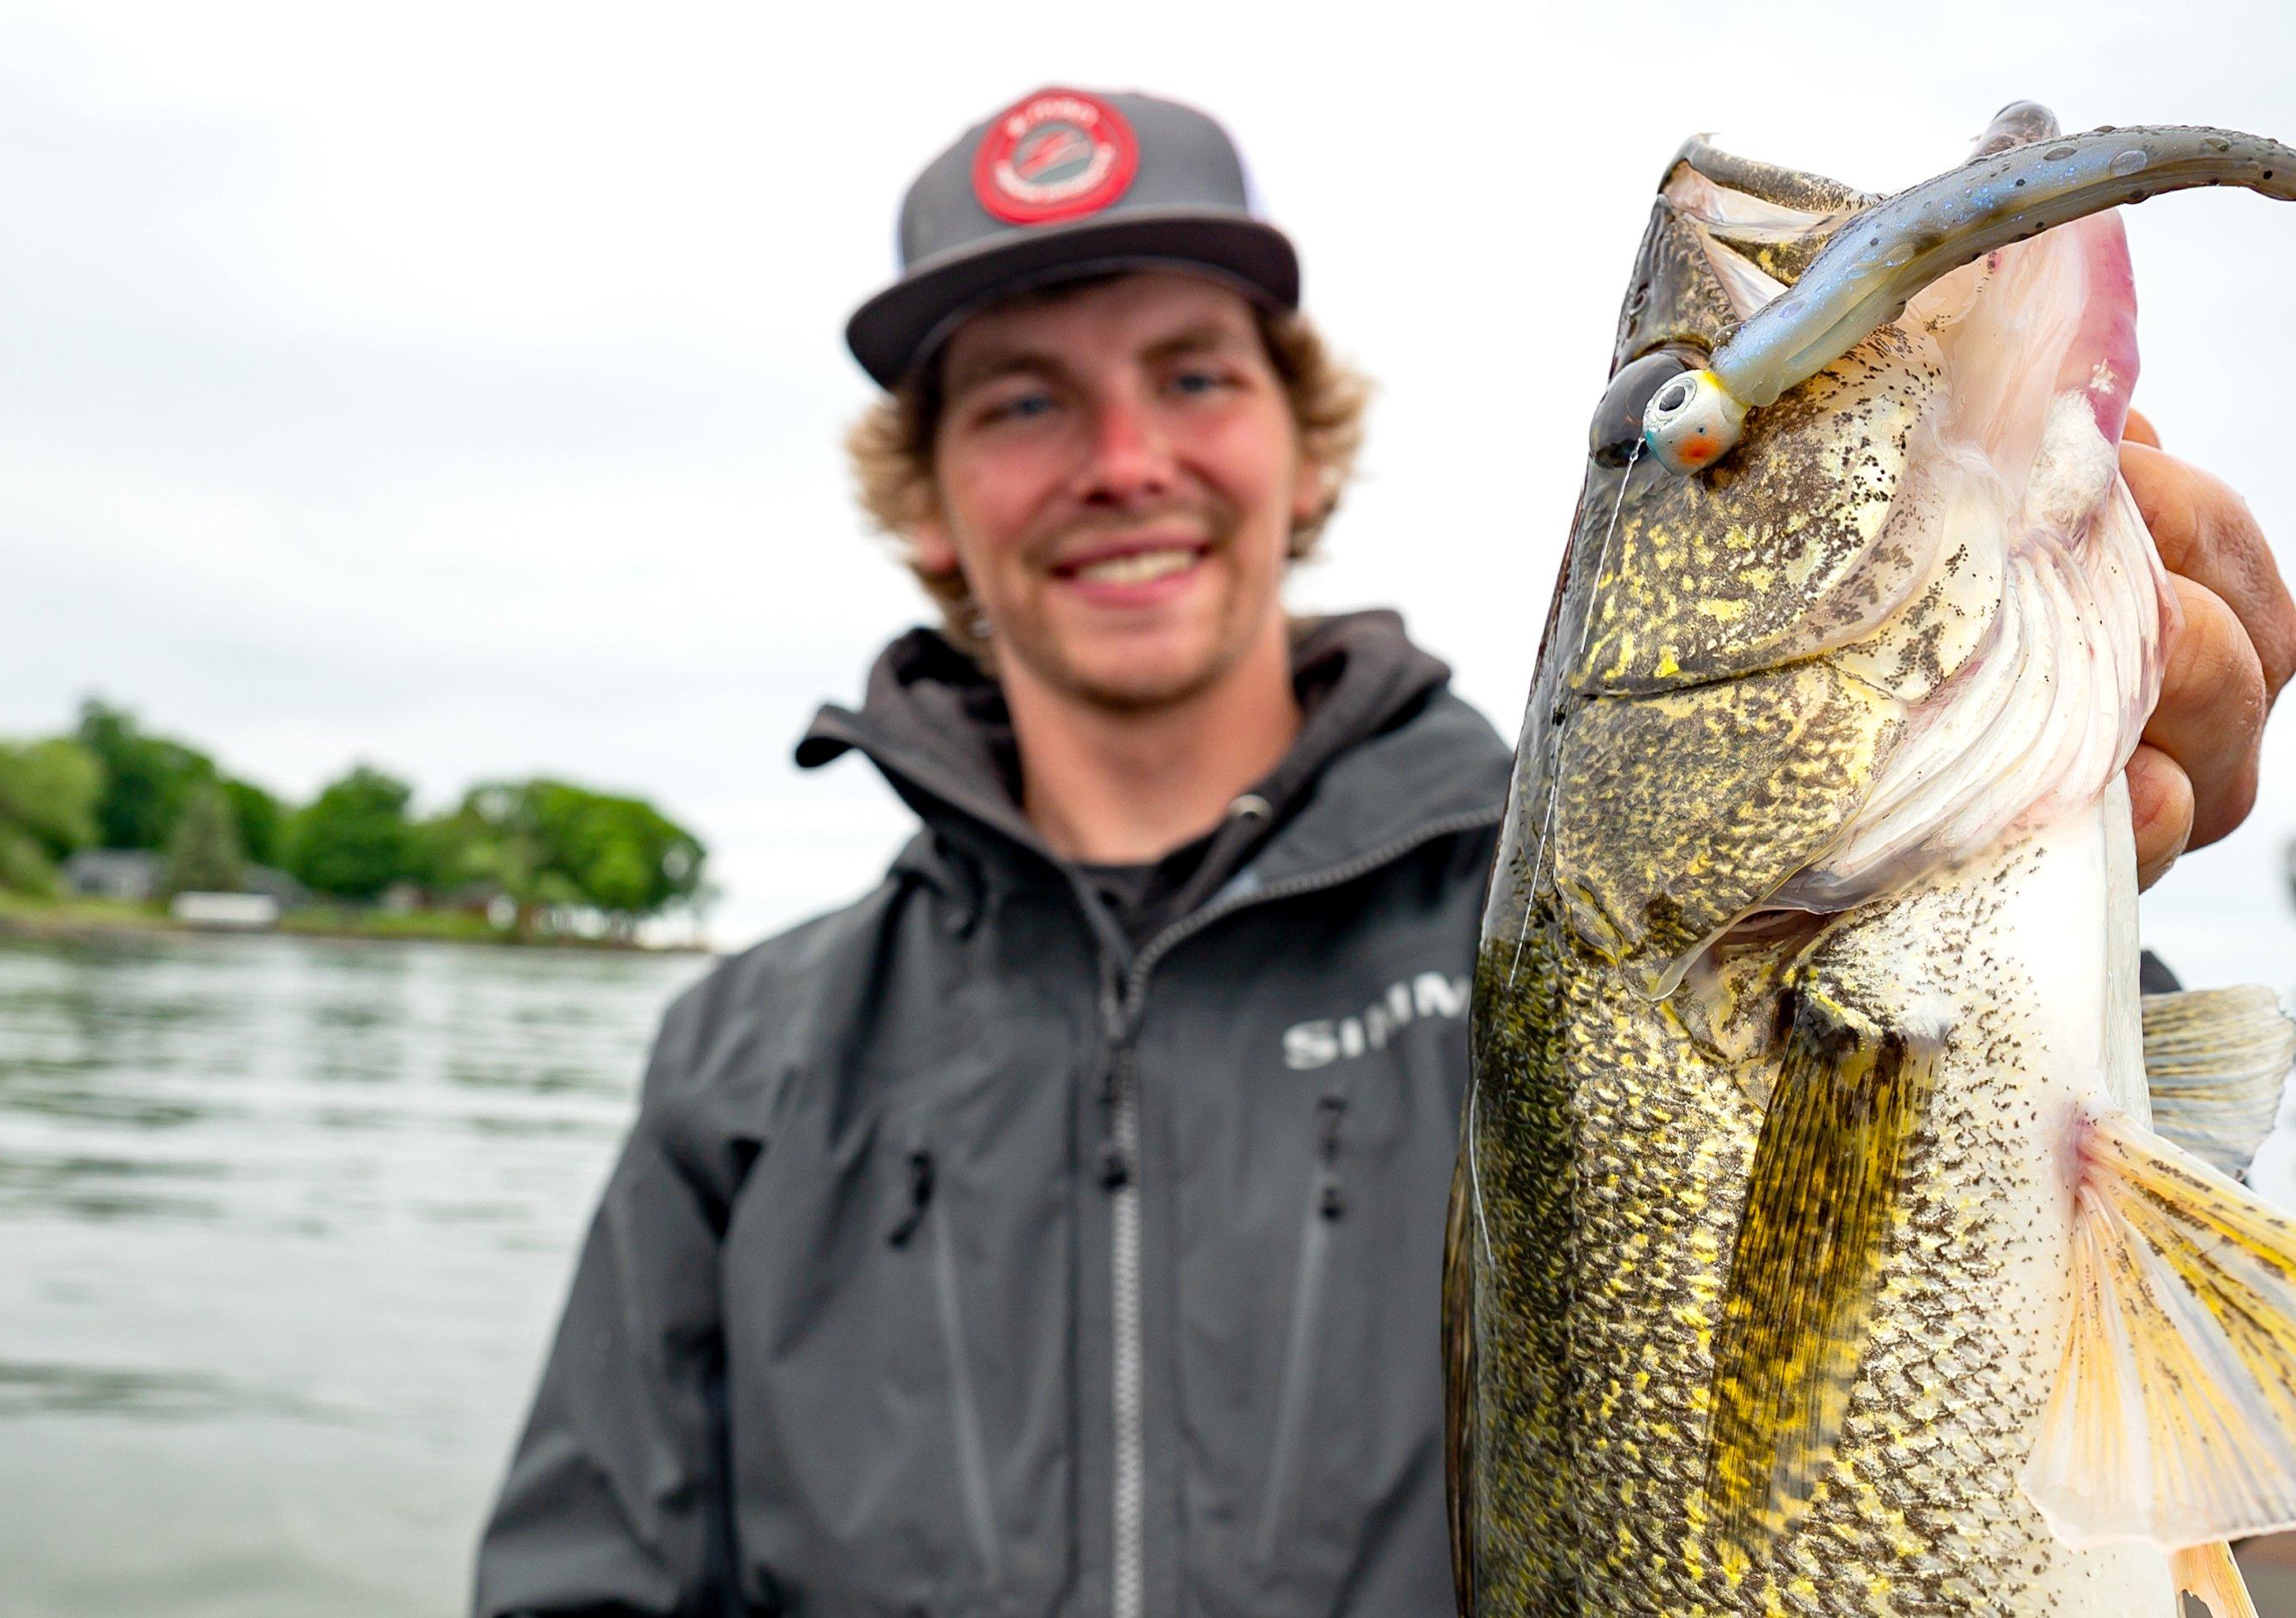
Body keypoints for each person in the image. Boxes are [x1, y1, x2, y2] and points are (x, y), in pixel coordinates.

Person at [472, 88, 2296, 1616]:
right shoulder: (744, 1064)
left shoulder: (1649, 907)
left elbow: (2236, 1475)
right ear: (930, 492)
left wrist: (2117, 866)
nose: (1123, 459)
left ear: (1294, 440)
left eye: (1191, 375)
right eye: (1021, 399)